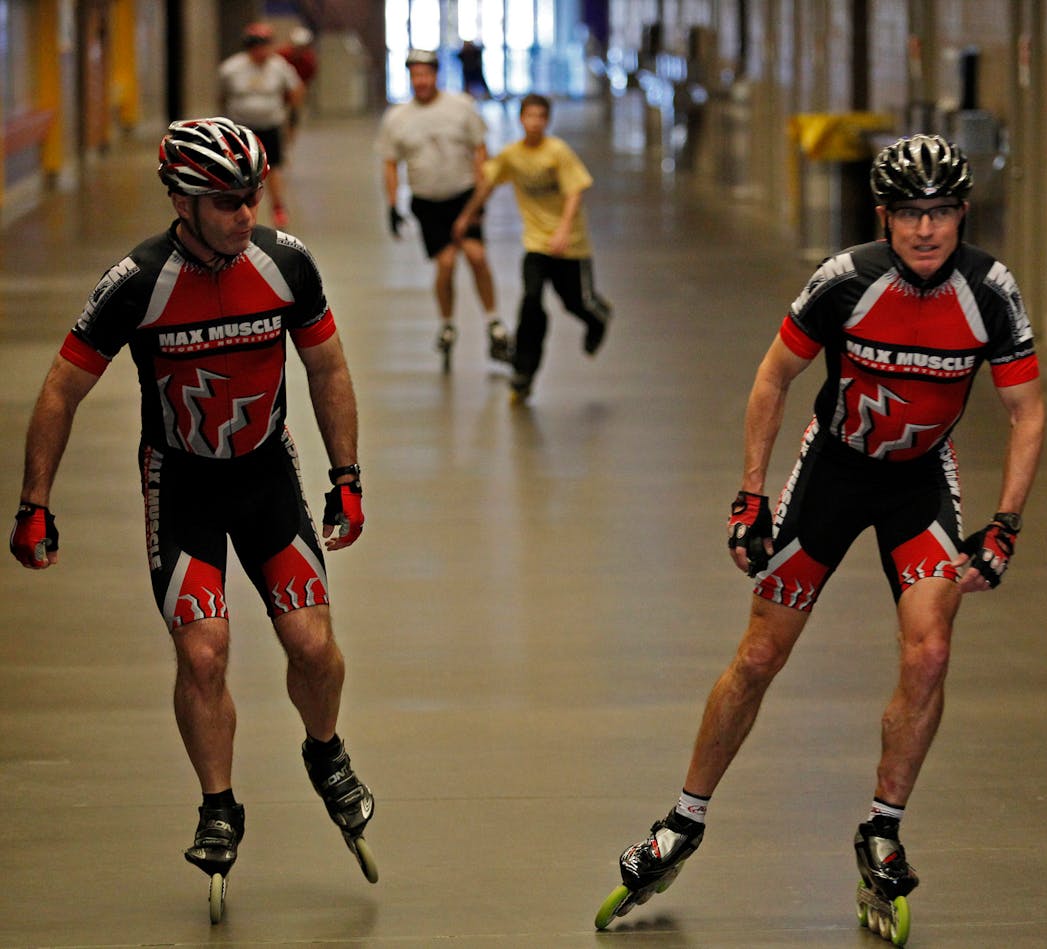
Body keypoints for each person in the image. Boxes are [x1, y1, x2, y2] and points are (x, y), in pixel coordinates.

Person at [598, 135, 1046, 928]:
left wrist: (1004, 523)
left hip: (918, 483)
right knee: (762, 653)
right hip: (831, 474)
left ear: (962, 214)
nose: (926, 229)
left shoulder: (990, 290)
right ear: (884, 215)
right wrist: (749, 497)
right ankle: (682, 821)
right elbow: (775, 375)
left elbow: (1026, 411)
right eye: (910, 213)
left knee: (932, 649)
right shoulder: (846, 281)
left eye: (941, 212)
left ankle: (882, 831)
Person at [8, 118, 376, 895]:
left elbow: (328, 366)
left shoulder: (285, 264)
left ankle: (325, 749)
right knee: (203, 652)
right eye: (226, 202)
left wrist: (346, 472)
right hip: (182, 483)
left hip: (265, 474)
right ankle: (218, 805)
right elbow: (62, 388)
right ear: (182, 200)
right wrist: (33, 501)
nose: (246, 214)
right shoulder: (136, 282)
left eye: (252, 196)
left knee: (312, 646)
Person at [453, 93, 612, 403]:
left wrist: (564, 229)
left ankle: (598, 319)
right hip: (537, 245)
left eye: (541, 117)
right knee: (531, 302)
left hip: (570, 246)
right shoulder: (513, 155)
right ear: (521, 120)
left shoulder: (558, 152)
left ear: (547, 121)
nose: (535, 122)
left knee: (577, 303)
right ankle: (524, 373)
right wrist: (466, 217)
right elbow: (486, 183)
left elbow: (574, 193)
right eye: (530, 116)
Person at [378, 49, 507, 367]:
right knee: (446, 263)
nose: (421, 81)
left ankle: (494, 321)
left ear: (436, 75)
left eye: (426, 74)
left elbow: (480, 150)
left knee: (477, 256)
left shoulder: (461, 107)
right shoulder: (397, 118)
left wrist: (480, 195)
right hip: (428, 202)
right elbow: (391, 164)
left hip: (463, 196)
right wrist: (393, 205)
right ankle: (447, 324)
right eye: (415, 75)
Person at [218, 22, 304, 228]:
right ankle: (236, 208)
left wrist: (289, 116)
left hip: (269, 125)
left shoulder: (279, 66)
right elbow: (222, 95)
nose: (261, 51)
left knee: (273, 168)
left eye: (265, 45)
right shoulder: (231, 68)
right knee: (238, 170)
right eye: (256, 46)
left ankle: (278, 208)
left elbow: (296, 90)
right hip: (241, 128)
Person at [277, 26, 319, 144]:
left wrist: (297, 98)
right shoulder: (281, 56)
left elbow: (305, 82)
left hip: (295, 93)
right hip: (279, 93)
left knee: (293, 118)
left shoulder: (308, 60)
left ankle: (287, 143)